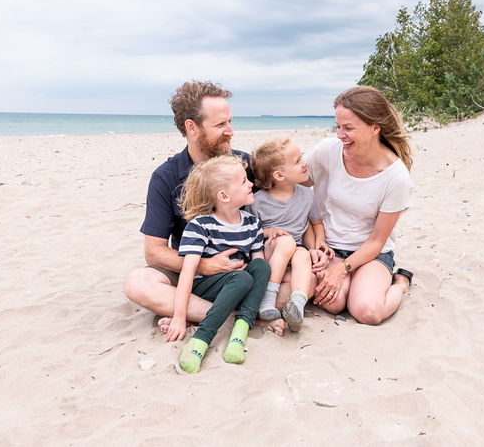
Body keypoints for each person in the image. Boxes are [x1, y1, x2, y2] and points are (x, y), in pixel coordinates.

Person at [123, 80, 285, 336]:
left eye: (230, 122)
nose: (230, 131)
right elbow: (154, 253)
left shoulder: (244, 164)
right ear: (192, 127)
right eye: (220, 125)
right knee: (137, 284)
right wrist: (203, 265)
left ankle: (207, 311)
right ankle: (233, 317)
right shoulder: (165, 176)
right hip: (193, 270)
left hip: (247, 262)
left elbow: (289, 191)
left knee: (294, 265)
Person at [307, 86, 415, 325]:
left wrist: (341, 269)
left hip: (371, 255)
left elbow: (377, 241)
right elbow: (293, 185)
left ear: (375, 128)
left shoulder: (396, 177)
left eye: (348, 128)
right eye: (338, 126)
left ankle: (401, 284)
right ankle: (349, 285)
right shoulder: (327, 151)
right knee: (332, 302)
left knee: (367, 312)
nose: (339, 135)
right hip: (331, 249)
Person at [165, 155, 271, 373]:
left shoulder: (252, 224)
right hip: (206, 285)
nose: (251, 184)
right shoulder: (201, 225)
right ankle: (201, 340)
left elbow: (257, 263)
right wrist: (179, 317)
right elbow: (187, 272)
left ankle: (240, 330)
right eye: (243, 182)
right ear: (223, 196)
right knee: (242, 278)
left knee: (261, 267)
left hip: (239, 283)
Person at [248, 137, 332, 332]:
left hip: (294, 251)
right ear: (279, 175)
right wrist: (267, 232)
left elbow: (316, 222)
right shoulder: (258, 201)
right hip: (270, 249)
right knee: (286, 243)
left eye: (301, 157)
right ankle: (268, 299)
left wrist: (319, 242)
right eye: (297, 161)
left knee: (302, 254)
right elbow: (249, 232)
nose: (305, 163)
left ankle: (297, 304)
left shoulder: (307, 196)